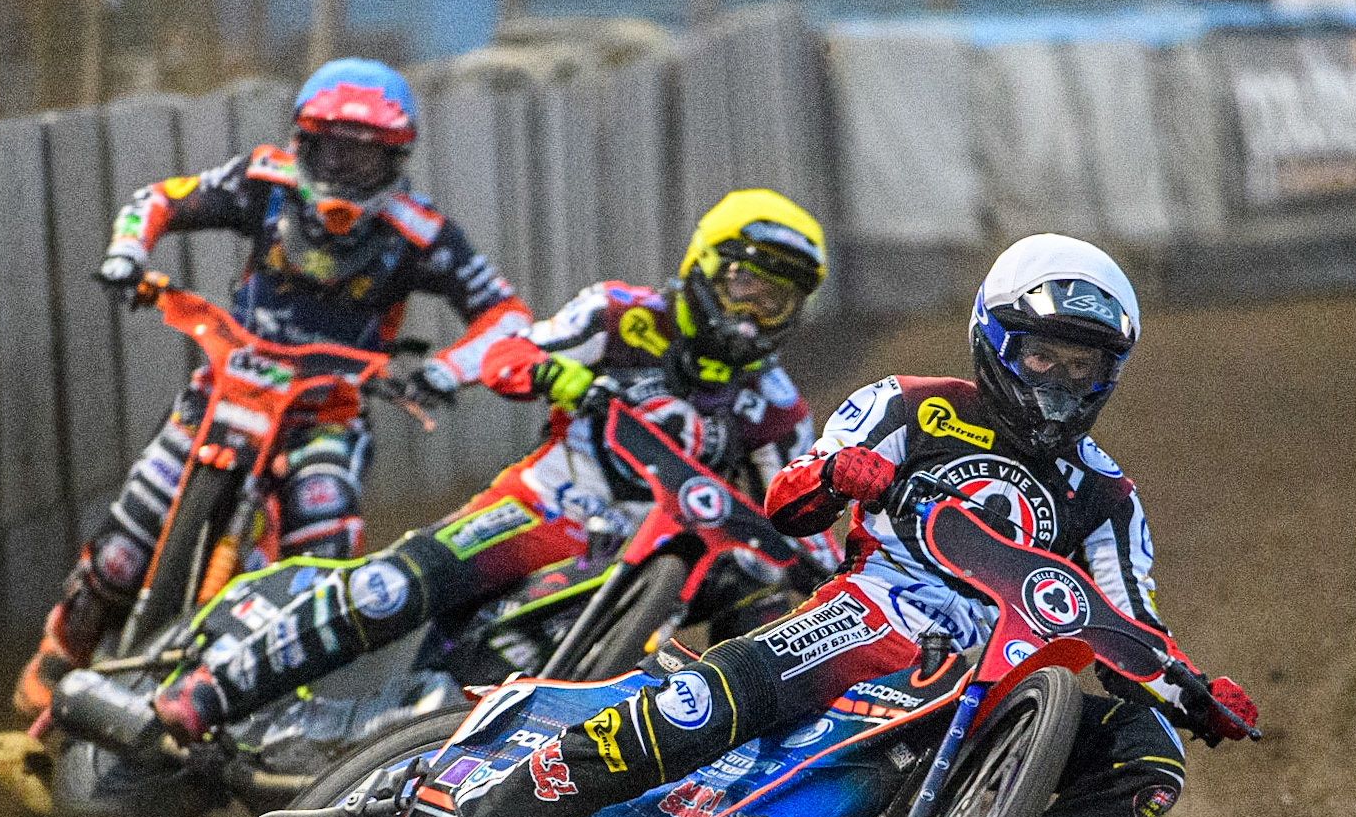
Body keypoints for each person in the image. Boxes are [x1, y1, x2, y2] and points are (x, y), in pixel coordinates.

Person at [375, 233, 1261, 817]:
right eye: (1042, 355)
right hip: (862, 617)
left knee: (1147, 751)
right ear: (994, 341)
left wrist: (1193, 688)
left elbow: (1128, 623)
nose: (1059, 380)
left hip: (985, 681)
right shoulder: (908, 406)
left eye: (1082, 364)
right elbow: (787, 500)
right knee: (694, 709)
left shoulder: (1105, 495)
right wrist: (842, 473)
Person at [132, 188, 836, 745]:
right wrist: (555, 375)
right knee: (388, 588)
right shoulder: (621, 316)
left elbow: (798, 516)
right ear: (706, 266)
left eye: (776, 299)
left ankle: (744, 755)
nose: (755, 311)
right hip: (545, 508)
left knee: (760, 580)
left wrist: (829, 576)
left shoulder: (774, 403)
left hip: (648, 561)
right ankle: (210, 690)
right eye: (746, 285)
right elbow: (507, 352)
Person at [9, 58, 531, 719]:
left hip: (328, 413)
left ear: (396, 159)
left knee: (321, 559)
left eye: (364, 156)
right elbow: (159, 198)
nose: (343, 169)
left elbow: (505, 315)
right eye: (331, 149)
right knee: (124, 544)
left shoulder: (421, 232)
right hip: (222, 389)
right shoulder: (263, 181)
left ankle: (284, 704)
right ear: (302, 142)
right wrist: (127, 255)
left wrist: (445, 370)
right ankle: (61, 653)